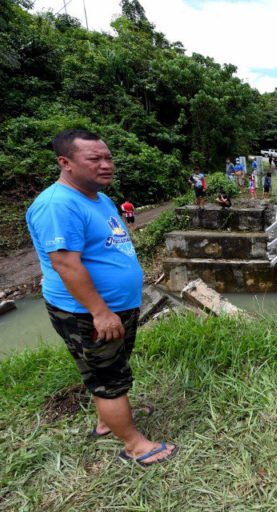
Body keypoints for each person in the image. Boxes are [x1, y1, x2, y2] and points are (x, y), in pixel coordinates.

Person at [25, 129, 177, 466]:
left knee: (111, 367)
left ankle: (108, 420)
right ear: (65, 162)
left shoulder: (98, 198)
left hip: (116, 306)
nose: (106, 165)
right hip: (89, 311)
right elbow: (65, 263)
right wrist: (100, 312)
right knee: (110, 378)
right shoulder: (57, 205)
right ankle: (135, 444)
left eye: (107, 157)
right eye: (94, 159)